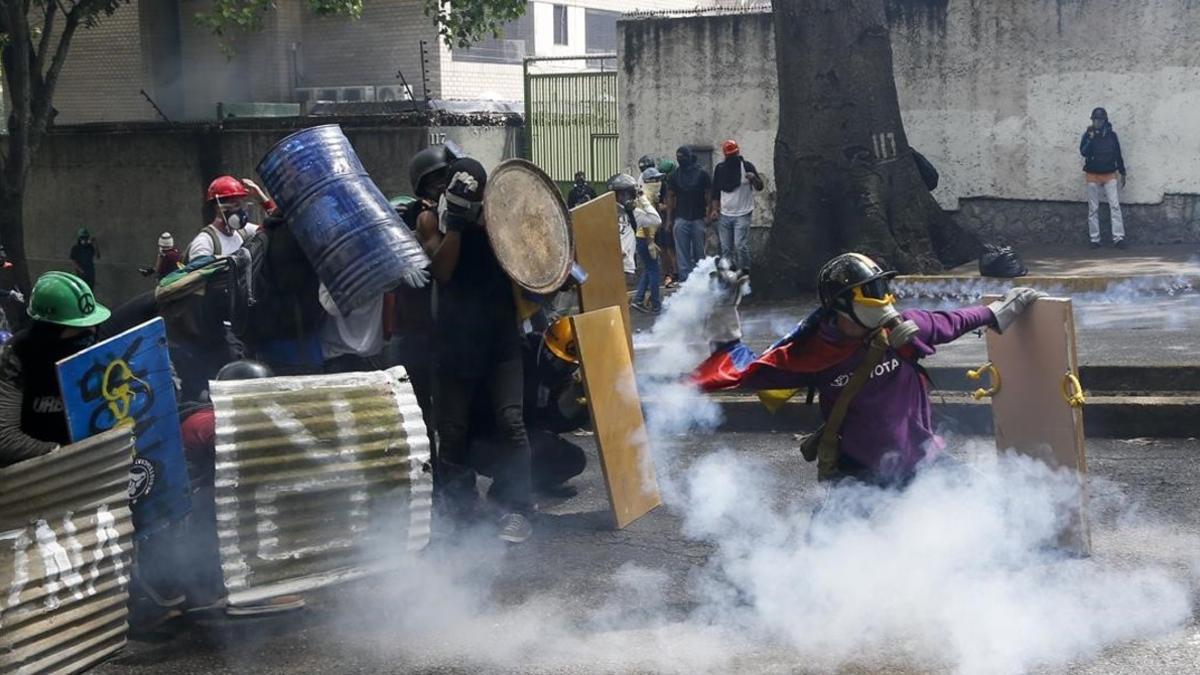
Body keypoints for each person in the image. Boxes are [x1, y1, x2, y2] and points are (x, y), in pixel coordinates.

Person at [695, 253, 1042, 488]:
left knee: (986, 517)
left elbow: (954, 321)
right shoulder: (812, 352)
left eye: (884, 289)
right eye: (873, 292)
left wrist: (997, 311)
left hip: (924, 462)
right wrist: (724, 314)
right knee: (826, 562)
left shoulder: (905, 329)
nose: (886, 300)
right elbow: (743, 368)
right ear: (842, 304)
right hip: (860, 476)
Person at [416, 157, 535, 544]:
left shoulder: (498, 216)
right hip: (454, 343)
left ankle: (518, 508)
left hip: (500, 340)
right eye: (439, 185)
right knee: (451, 431)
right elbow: (445, 271)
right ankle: (459, 509)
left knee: (511, 422)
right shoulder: (431, 221)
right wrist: (458, 225)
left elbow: (536, 259)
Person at [176, 360, 305, 617]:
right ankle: (243, 594)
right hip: (194, 509)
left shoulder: (214, 414)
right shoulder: (208, 421)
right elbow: (247, 461)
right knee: (248, 497)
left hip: (197, 509)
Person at [0, 271, 110, 467]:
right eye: (80, 329)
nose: (91, 333)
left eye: (93, 325)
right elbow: (4, 437)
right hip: (36, 472)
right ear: (49, 330)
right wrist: (64, 455)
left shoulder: (96, 347)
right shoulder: (17, 357)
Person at [185, 176, 275, 262]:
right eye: (236, 205)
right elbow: (198, 274)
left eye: (243, 204)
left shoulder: (243, 232)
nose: (242, 210)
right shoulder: (205, 242)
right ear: (219, 207)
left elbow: (274, 228)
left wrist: (263, 200)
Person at [609, 173, 663, 313]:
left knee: (619, 309)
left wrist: (642, 197)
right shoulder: (605, 212)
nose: (624, 199)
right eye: (620, 195)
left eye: (627, 194)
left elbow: (655, 220)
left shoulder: (634, 214)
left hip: (625, 266)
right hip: (609, 265)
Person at [710, 139, 764, 273]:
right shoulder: (720, 169)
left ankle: (746, 271)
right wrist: (715, 210)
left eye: (733, 154)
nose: (731, 157)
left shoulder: (747, 167)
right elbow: (716, 191)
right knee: (726, 248)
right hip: (725, 214)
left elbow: (760, 186)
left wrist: (753, 178)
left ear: (738, 153)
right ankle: (729, 274)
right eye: (729, 155)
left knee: (740, 245)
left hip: (743, 213)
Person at [1079, 107, 1128, 249]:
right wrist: (1091, 140)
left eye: (1099, 119)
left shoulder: (1112, 136)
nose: (1097, 122)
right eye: (1095, 119)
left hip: (1109, 173)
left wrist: (1122, 171)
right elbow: (1083, 152)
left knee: (1115, 206)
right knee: (1093, 208)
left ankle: (1118, 238)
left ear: (1105, 120)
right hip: (1092, 174)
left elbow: (1118, 153)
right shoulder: (1088, 134)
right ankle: (1095, 239)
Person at [666, 146, 711, 283]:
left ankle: (702, 281)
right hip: (681, 218)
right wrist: (669, 219)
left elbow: (709, 195)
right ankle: (686, 282)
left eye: (683, 157)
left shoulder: (702, 174)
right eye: (678, 157)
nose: (680, 160)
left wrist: (708, 214)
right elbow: (670, 197)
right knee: (682, 254)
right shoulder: (674, 176)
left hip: (698, 218)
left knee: (699, 253)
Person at [655, 158, 679, 288]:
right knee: (663, 249)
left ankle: (675, 273)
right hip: (661, 222)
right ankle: (666, 274)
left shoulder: (675, 183)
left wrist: (664, 207)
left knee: (671, 248)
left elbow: (674, 203)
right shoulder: (662, 185)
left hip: (672, 221)